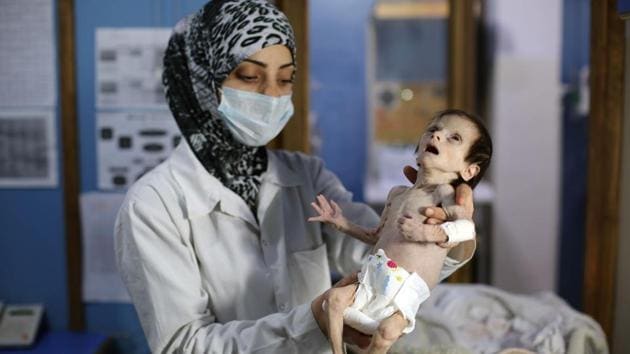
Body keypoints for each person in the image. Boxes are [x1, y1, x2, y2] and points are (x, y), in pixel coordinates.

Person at [114, 0, 476, 353]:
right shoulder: (153, 206)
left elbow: (382, 259)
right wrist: (311, 322)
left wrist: (446, 234)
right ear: (203, 80)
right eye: (250, 76)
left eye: (285, 79)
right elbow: (184, 346)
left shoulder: (305, 175)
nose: (272, 95)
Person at [309, 109, 493, 354]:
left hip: (405, 289)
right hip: (376, 274)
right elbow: (376, 236)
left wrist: (426, 233)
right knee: (333, 300)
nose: (437, 135)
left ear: (469, 170)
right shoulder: (397, 194)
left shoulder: (445, 195)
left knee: (386, 333)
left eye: (454, 138)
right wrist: (341, 223)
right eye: (433, 129)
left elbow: (466, 229)